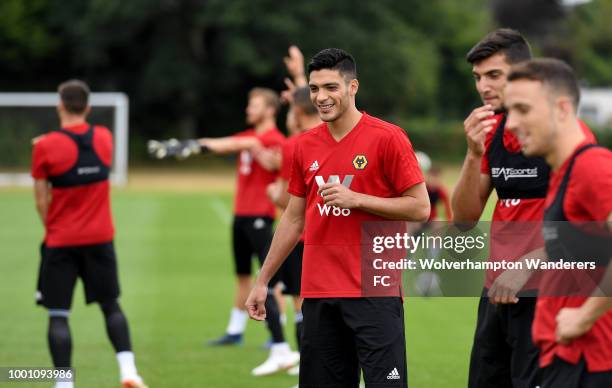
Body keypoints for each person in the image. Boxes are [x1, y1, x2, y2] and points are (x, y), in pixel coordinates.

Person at [245, 48, 430, 388]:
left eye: (331, 87)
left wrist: (356, 199)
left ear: (352, 87)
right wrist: (263, 280)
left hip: (375, 291)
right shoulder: (303, 146)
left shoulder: (388, 138)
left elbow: (420, 207)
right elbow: (292, 219)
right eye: (315, 89)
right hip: (318, 292)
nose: (321, 97)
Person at [148, 87, 299, 375]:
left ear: (270, 110)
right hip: (240, 215)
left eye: (254, 105)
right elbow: (224, 144)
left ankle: (277, 336)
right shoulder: (248, 136)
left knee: (268, 280)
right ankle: (235, 330)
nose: (248, 109)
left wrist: (258, 150)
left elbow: (276, 164)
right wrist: (190, 146)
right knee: (242, 274)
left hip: (261, 216)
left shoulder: (275, 139)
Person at [504, 58, 612, 388]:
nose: (510, 123)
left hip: (590, 362)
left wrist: (584, 316)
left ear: (562, 109)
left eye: (523, 109)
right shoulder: (561, 172)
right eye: (509, 111)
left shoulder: (592, 167)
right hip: (562, 357)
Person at [32, 80, 146, 388]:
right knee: (111, 305)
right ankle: (129, 372)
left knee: (58, 314)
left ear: (60, 105)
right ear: (88, 107)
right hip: (100, 238)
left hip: (61, 240)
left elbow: (41, 199)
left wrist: (52, 225)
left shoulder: (43, 147)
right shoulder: (105, 137)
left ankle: (64, 383)